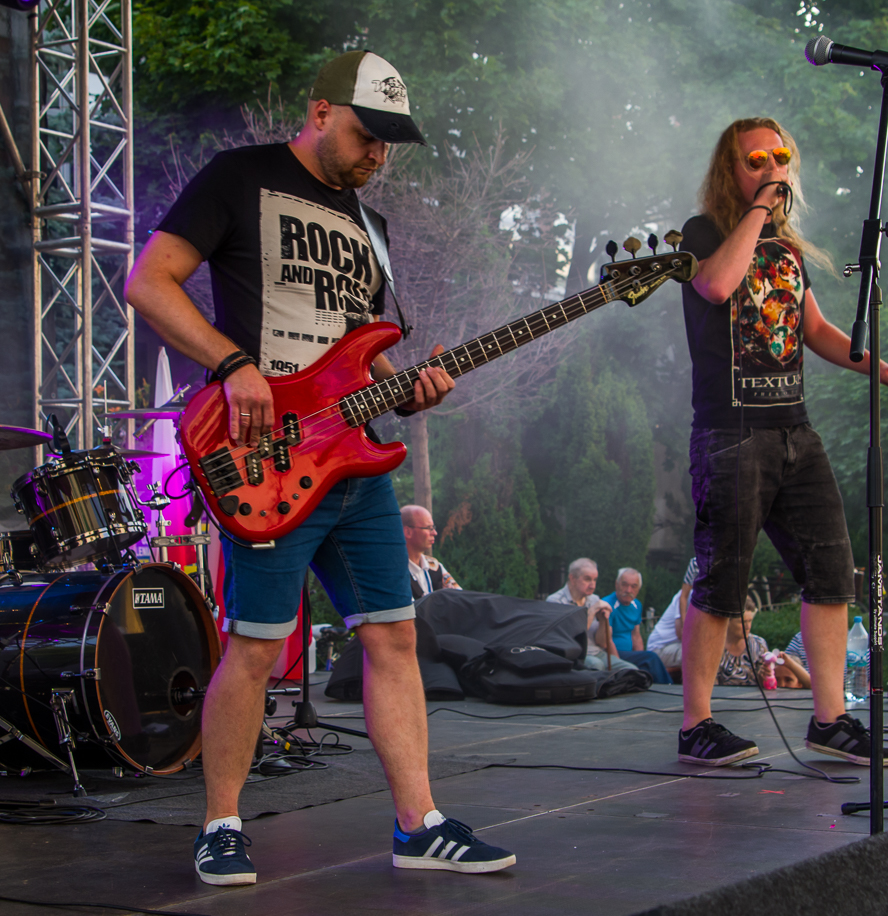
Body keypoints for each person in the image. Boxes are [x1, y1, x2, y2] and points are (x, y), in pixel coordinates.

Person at [125, 50, 515, 884]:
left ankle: (419, 824)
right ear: (320, 111)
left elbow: (358, 358)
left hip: (356, 468)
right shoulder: (240, 178)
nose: (378, 154)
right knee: (257, 647)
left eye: (389, 143)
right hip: (264, 459)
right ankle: (221, 823)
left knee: (395, 635)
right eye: (367, 135)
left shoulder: (373, 230)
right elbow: (149, 282)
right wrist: (234, 364)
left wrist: (410, 388)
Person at [676, 118, 888, 767]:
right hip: (731, 432)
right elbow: (716, 285)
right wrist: (759, 209)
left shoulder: (784, 248)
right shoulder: (702, 234)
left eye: (780, 157)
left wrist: (877, 365)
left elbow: (813, 327)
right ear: (730, 170)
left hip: (794, 429)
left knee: (832, 571)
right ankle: (696, 725)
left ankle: (830, 719)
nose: (773, 168)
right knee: (722, 579)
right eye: (756, 159)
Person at [546, 558, 638, 672]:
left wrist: (603, 621)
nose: (592, 585)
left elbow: (602, 643)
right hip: (573, 656)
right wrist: (591, 612)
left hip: (597, 653)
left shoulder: (594, 599)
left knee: (632, 671)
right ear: (572, 578)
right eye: (587, 579)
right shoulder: (556, 601)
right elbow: (570, 638)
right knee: (596, 665)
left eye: (595, 580)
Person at [598, 568, 672, 683]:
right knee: (651, 658)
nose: (628, 590)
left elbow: (636, 635)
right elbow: (608, 641)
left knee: (646, 666)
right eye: (624, 585)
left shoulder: (637, 605)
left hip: (629, 655)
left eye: (634, 586)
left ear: (638, 589)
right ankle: (669, 687)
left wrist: (640, 655)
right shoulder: (607, 605)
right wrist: (619, 665)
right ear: (616, 584)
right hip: (612, 655)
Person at [646, 557, 698, 669]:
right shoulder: (685, 597)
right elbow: (681, 634)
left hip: (675, 646)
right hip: (658, 648)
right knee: (698, 653)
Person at [401, 504, 462, 599]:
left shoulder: (434, 566)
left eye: (433, 528)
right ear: (407, 532)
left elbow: (460, 597)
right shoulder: (393, 572)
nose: (434, 533)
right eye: (428, 528)